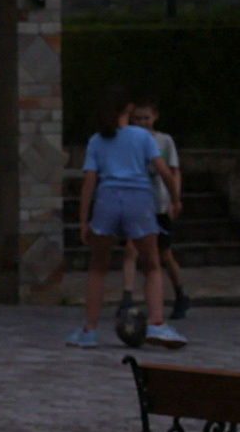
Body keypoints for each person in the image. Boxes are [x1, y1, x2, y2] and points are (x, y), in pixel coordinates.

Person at [74, 91, 180, 345]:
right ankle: (156, 324)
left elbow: (89, 181)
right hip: (139, 201)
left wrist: (84, 219)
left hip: (107, 200)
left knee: (98, 268)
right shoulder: (142, 136)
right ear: (128, 108)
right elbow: (164, 171)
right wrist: (175, 198)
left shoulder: (97, 140)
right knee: (152, 265)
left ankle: (89, 330)